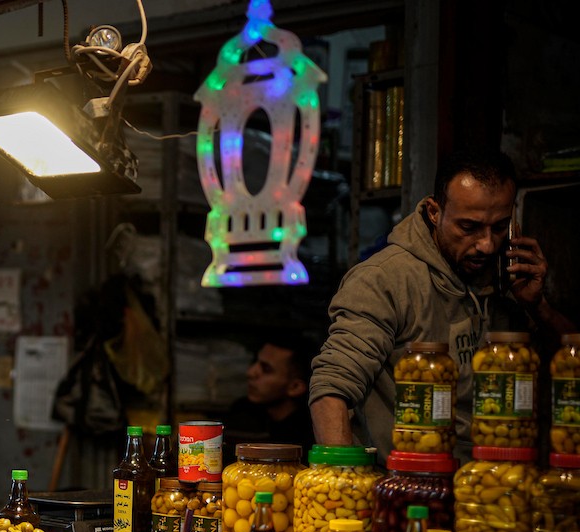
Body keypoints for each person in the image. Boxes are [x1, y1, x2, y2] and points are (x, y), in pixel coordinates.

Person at [309, 150, 575, 462]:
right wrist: (344, 486)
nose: (487, 244)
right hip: (409, 490)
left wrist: (538, 307)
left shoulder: (509, 280)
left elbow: (570, 371)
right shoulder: (385, 280)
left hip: (494, 487)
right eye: (469, 227)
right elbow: (331, 389)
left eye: (500, 227)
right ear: (435, 212)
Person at [226, 336, 317, 459]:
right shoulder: (242, 412)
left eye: (266, 369)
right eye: (255, 362)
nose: (251, 372)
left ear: (295, 387)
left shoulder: (309, 434)